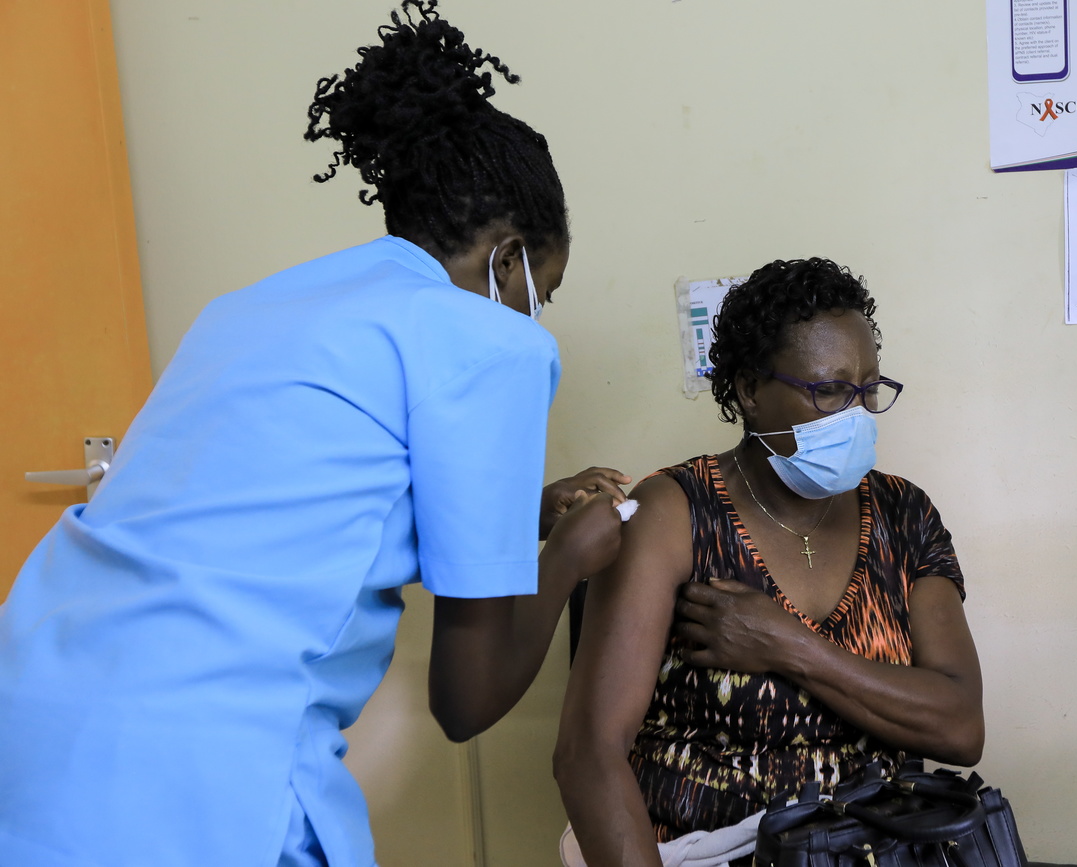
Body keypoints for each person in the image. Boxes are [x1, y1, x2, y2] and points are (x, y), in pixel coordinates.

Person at [0, 3, 628, 866]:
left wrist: (525, 513)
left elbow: (281, 508)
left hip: (35, 721)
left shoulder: (255, 308)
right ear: (509, 258)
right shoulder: (491, 338)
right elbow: (464, 699)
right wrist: (568, 559)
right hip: (197, 775)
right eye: (540, 289)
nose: (533, 313)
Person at [554, 257, 984, 867]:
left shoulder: (903, 513)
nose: (855, 415)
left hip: (874, 845)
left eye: (869, 391)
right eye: (829, 389)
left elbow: (961, 727)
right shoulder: (674, 513)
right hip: (704, 849)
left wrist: (791, 646)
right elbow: (587, 752)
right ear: (751, 390)